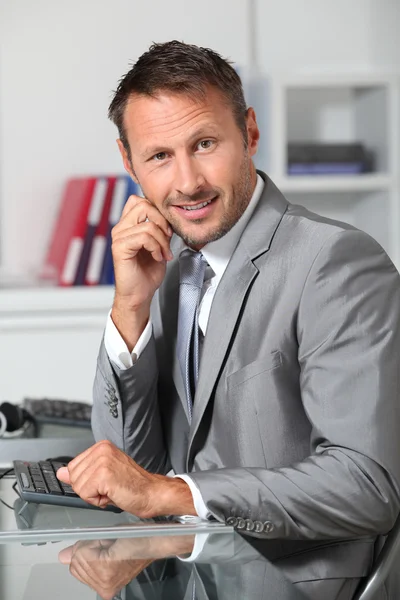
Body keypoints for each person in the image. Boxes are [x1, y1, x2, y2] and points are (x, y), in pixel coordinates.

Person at [57, 40, 400, 597]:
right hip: (187, 580)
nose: (188, 182)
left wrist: (171, 494)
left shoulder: (335, 263)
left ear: (250, 134)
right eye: (159, 156)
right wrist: (130, 309)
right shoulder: (163, 266)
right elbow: (133, 474)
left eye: (205, 143)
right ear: (128, 162)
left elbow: (366, 487)